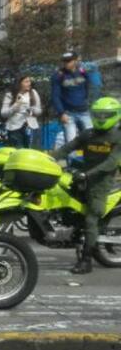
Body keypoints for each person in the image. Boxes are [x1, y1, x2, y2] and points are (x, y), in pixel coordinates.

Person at [53, 97, 121, 275]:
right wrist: (49, 158)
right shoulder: (88, 134)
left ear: (115, 115)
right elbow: (68, 147)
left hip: (101, 182)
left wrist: (87, 174)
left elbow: (111, 163)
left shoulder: (117, 137)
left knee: (91, 219)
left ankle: (86, 260)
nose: (102, 117)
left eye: (106, 114)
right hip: (83, 177)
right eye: (98, 114)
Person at [51, 50, 100, 145]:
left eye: (69, 61)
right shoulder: (58, 75)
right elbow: (55, 96)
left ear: (75, 61)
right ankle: (71, 159)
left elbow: (93, 86)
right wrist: (61, 113)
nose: (66, 63)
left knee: (91, 139)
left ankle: (90, 159)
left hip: (84, 111)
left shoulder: (84, 71)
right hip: (68, 113)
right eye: (64, 61)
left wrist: (89, 101)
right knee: (71, 142)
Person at [0, 76, 43, 148]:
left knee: (32, 152)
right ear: (19, 83)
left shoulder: (33, 93)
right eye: (26, 82)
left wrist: (32, 109)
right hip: (14, 128)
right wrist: (15, 106)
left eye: (29, 81)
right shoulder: (10, 94)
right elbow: (3, 113)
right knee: (18, 153)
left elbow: (39, 111)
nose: (29, 84)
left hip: (31, 127)